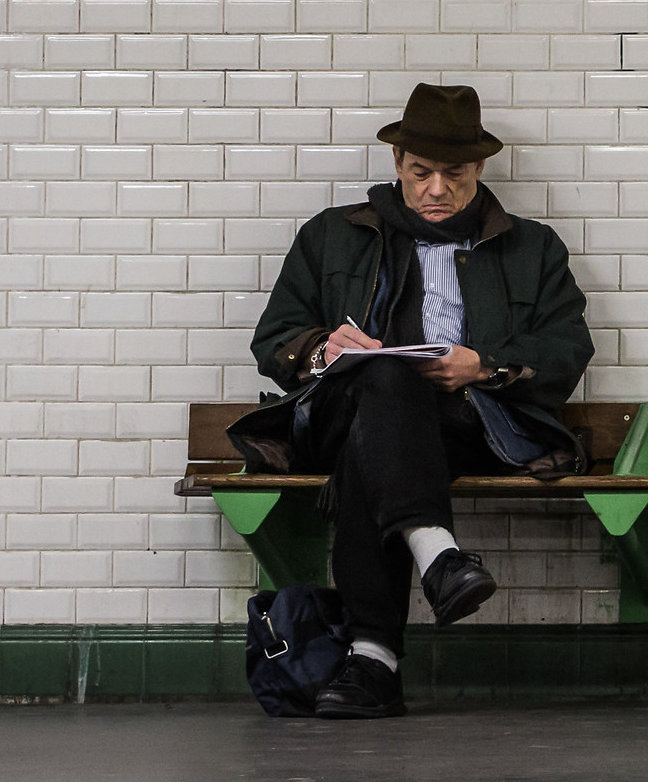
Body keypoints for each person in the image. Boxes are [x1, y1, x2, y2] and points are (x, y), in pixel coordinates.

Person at [230, 83, 595, 718]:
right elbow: (275, 341)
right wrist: (325, 351)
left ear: (479, 170)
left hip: (472, 421)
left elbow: (567, 347)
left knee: (372, 445)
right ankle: (439, 557)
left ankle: (375, 662)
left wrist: (484, 364)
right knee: (387, 375)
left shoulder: (532, 248)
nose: (435, 189)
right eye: (421, 172)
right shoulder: (331, 236)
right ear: (398, 165)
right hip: (345, 411)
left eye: (453, 174)